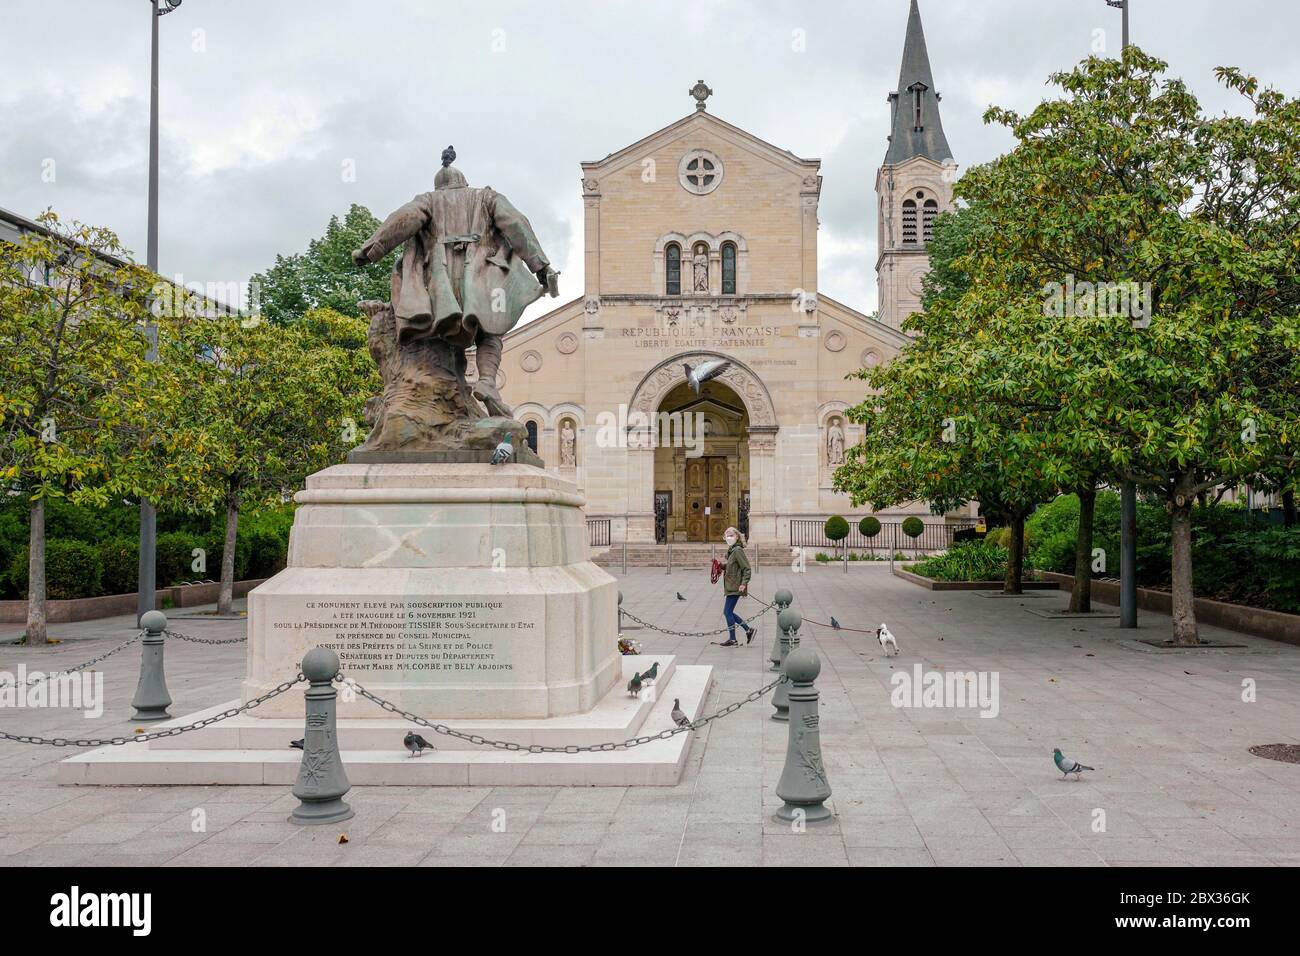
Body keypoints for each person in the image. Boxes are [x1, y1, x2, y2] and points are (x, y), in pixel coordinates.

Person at [719, 526, 754, 647]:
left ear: (737, 536)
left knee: (727, 612)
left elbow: (746, 568)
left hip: (736, 586)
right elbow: (732, 567)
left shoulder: (737, 550)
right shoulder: (732, 550)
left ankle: (733, 638)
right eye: (726, 535)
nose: (729, 537)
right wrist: (721, 566)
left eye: (731, 535)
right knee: (729, 612)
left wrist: (744, 583)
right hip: (731, 585)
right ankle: (748, 630)